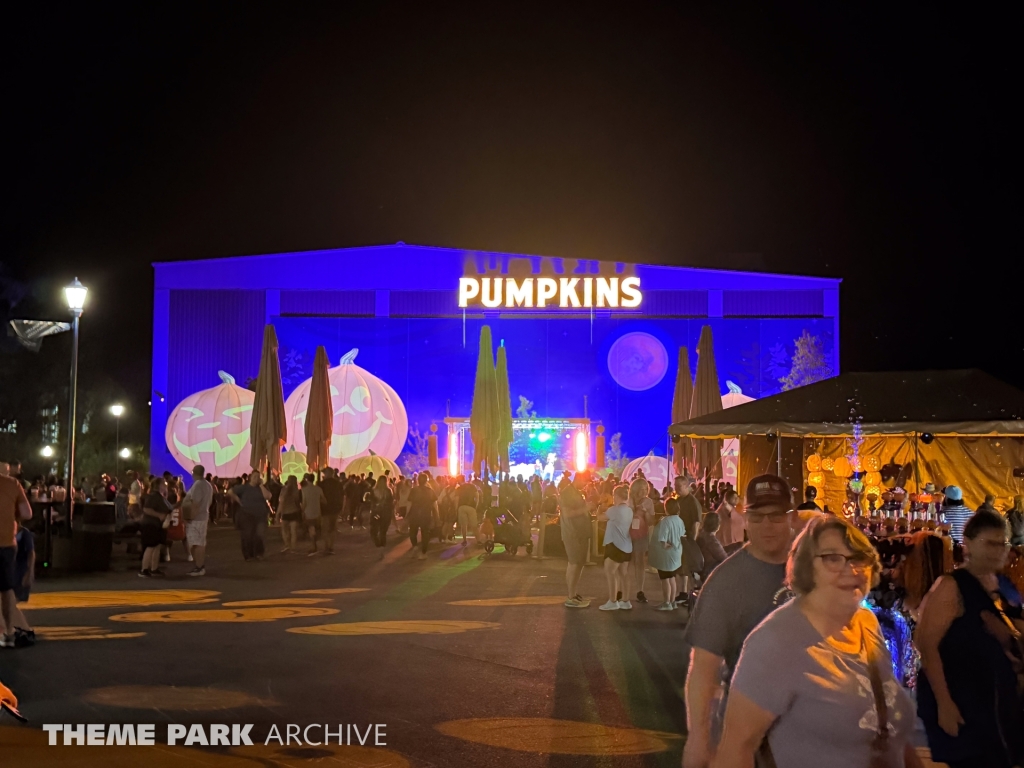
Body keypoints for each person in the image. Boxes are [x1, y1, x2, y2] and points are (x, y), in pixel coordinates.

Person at [712, 516, 922, 768]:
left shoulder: (866, 623)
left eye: (859, 558)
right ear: (806, 567)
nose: (851, 569)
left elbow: (887, 729)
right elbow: (736, 749)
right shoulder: (775, 642)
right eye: (832, 558)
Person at [682, 474, 797, 768]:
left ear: (791, 516)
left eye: (775, 516)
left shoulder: (814, 567)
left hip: (813, 724)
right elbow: (703, 668)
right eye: (757, 517)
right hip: (751, 728)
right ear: (745, 519)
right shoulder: (726, 582)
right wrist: (698, 737)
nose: (767, 526)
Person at [915, 509, 1024, 768]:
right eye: (990, 543)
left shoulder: (1003, 585)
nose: (997, 550)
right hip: (963, 700)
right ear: (969, 544)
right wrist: (944, 704)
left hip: (997, 701)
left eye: (1002, 543)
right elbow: (926, 644)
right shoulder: (951, 586)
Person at [0, 473, 31, 648]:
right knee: (5, 589)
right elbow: (27, 513)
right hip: (5, 543)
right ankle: (9, 632)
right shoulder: (13, 484)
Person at [560, 473, 592, 608]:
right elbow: (567, 513)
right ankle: (571, 596)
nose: (586, 484)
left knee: (577, 563)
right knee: (574, 563)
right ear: (579, 478)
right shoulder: (567, 492)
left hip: (580, 533)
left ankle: (573, 593)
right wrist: (585, 508)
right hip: (573, 533)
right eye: (585, 481)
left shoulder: (576, 492)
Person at [600, 484, 633, 611]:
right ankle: (625, 600)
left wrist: (600, 507)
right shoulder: (629, 510)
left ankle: (613, 600)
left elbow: (600, 517)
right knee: (624, 573)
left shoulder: (614, 510)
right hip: (627, 545)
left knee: (610, 572)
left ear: (617, 496)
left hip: (615, 545)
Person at [649, 496, 685, 610]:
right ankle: (673, 601)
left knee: (665, 579)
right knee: (672, 578)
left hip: (666, 554)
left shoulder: (665, 521)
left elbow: (662, 539)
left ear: (666, 508)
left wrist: (666, 545)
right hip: (677, 553)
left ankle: (666, 602)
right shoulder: (680, 520)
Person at [229, 472, 271, 561]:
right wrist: (238, 501)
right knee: (247, 535)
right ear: (250, 478)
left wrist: (261, 486)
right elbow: (230, 491)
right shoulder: (244, 488)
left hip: (260, 516)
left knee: (259, 534)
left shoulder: (261, 488)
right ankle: (249, 555)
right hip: (246, 514)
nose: (256, 478)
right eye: (254, 477)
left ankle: (259, 553)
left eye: (258, 477)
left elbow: (268, 496)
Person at [182, 465, 212, 576]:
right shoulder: (207, 485)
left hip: (196, 519)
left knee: (196, 543)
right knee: (199, 542)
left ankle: (199, 567)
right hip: (203, 516)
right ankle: (199, 566)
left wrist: (189, 517)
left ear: (193, 472)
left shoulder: (198, 485)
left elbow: (195, 503)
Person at [628, 477, 655, 604]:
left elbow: (651, 522)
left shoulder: (648, 502)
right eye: (641, 489)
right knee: (626, 563)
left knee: (640, 562)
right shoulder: (629, 500)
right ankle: (622, 589)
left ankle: (640, 590)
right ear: (635, 490)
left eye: (645, 489)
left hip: (641, 534)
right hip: (626, 534)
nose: (644, 492)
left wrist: (646, 513)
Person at [139, 477, 172, 577]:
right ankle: (144, 569)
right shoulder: (153, 496)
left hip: (158, 525)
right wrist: (159, 515)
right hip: (151, 524)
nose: (165, 486)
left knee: (157, 546)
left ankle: (154, 568)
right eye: (163, 484)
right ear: (158, 486)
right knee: (150, 546)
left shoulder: (160, 497)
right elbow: (146, 509)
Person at [407, 474, 437, 559]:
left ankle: (415, 546)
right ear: (426, 480)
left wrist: (406, 514)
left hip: (414, 514)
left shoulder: (413, 490)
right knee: (425, 533)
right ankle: (424, 552)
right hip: (426, 514)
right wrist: (437, 515)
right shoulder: (430, 491)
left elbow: (409, 503)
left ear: (418, 480)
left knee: (413, 532)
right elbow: (435, 504)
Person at [319, 467, 344, 555]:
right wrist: (341, 507)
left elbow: (319, 498)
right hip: (335, 509)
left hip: (325, 509)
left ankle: (326, 546)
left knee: (325, 529)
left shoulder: (321, 484)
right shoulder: (338, 484)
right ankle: (331, 547)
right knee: (333, 528)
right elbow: (342, 496)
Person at [300, 473, 326, 556]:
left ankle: (313, 546)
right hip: (317, 512)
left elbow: (304, 502)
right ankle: (316, 545)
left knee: (311, 529)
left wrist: (302, 511)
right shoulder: (318, 489)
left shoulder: (304, 490)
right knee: (316, 528)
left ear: (307, 480)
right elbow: (324, 500)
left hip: (308, 512)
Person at [696, 511, 728, 578]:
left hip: (702, 569)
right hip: (709, 571)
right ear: (718, 526)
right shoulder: (711, 540)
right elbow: (724, 558)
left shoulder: (700, 534)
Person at [369, 476, 394, 559]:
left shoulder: (388, 491)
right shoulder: (374, 491)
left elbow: (391, 503)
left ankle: (381, 550)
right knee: (374, 531)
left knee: (382, 531)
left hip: (384, 514)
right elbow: (371, 501)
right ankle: (379, 545)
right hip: (377, 513)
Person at [277, 475, 302, 552]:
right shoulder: (297, 491)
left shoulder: (283, 490)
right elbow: (298, 502)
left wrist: (278, 513)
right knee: (293, 532)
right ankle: (293, 548)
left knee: (285, 530)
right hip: (294, 512)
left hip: (285, 513)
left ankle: (287, 545)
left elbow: (281, 502)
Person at [455, 475, 479, 546]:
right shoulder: (472, 486)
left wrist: (456, 509)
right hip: (471, 507)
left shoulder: (459, 488)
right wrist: (476, 506)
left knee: (463, 525)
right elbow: (477, 497)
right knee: (474, 525)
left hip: (461, 507)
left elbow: (456, 499)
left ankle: (464, 540)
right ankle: (478, 540)